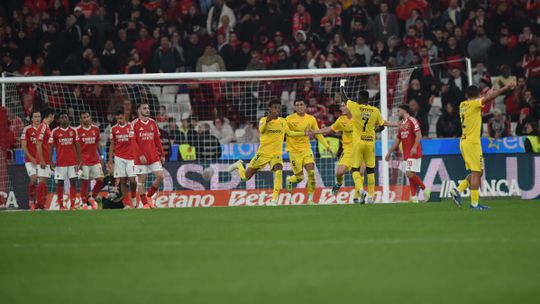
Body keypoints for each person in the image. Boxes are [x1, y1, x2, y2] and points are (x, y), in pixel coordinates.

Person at [228, 100, 308, 206]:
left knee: (279, 169)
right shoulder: (263, 120)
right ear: (269, 109)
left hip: (276, 154)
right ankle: (239, 165)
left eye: (278, 108)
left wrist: (304, 133)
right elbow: (261, 130)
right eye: (274, 107)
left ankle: (274, 199)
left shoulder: (283, 121)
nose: (277, 110)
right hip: (263, 154)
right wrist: (269, 118)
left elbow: (290, 133)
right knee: (245, 177)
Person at [451, 81, 516, 210]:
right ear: (478, 95)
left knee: (478, 172)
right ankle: (474, 204)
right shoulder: (475, 103)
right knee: (476, 173)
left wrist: (487, 94)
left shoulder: (462, 104)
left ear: (466, 94)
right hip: (472, 142)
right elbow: (487, 99)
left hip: (465, 141)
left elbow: (483, 100)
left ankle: (457, 191)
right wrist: (505, 87)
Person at [342, 82, 398, 204]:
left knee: (355, 169)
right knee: (370, 170)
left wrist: (342, 85)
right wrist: (374, 130)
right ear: (368, 99)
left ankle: (361, 190)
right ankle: (371, 197)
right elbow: (382, 127)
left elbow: (344, 98)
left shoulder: (355, 107)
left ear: (359, 98)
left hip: (358, 142)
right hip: (370, 142)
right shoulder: (375, 111)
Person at [310, 102, 365, 202]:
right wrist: (314, 131)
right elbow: (329, 129)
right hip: (348, 150)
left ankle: (357, 197)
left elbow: (377, 123)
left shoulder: (360, 117)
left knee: (360, 172)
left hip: (362, 149)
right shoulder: (341, 120)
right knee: (339, 172)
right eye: (341, 106)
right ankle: (339, 184)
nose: (341, 108)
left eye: (343, 106)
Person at [285, 99, 332, 205]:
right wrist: (303, 133)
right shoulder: (289, 119)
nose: (299, 107)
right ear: (294, 107)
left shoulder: (311, 119)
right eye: (297, 105)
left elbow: (318, 133)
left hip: (306, 150)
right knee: (300, 177)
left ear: (305, 106)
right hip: (294, 151)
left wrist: (326, 145)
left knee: (311, 173)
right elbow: (288, 133)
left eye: (301, 104)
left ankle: (310, 199)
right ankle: (290, 179)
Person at [385, 104, 431, 203]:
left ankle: (425, 189)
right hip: (406, 154)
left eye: (398, 110)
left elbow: (419, 135)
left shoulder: (412, 120)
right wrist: (389, 152)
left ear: (404, 111)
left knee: (409, 173)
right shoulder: (401, 124)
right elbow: (397, 141)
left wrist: (414, 147)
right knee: (411, 174)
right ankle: (414, 197)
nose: (397, 113)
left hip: (414, 152)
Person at [132, 103, 166, 209]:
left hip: (153, 156)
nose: (147, 110)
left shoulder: (152, 122)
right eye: (145, 108)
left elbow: (157, 140)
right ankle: (145, 203)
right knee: (141, 182)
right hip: (140, 158)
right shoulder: (134, 124)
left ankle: (149, 196)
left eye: (148, 108)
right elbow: (133, 142)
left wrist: (162, 154)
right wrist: (140, 154)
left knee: (160, 176)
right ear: (139, 110)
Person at [49, 112, 81, 210]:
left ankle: (72, 205)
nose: (64, 119)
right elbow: (51, 147)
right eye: (62, 117)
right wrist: (50, 161)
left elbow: (77, 146)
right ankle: (61, 206)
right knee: (60, 183)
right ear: (58, 120)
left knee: (73, 182)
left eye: (65, 117)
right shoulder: (55, 131)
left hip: (72, 162)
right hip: (60, 163)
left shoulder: (73, 131)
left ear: (68, 119)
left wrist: (79, 161)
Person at [108, 110, 137, 209]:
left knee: (133, 180)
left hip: (131, 157)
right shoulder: (113, 129)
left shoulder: (131, 126)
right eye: (118, 119)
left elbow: (135, 142)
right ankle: (127, 203)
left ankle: (133, 196)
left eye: (121, 118)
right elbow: (112, 144)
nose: (119, 120)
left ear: (125, 116)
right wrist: (110, 159)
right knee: (123, 181)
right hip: (119, 157)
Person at [76, 111, 104, 210]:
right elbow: (76, 147)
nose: (86, 119)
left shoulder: (95, 129)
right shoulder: (77, 131)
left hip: (95, 160)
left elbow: (98, 143)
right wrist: (78, 161)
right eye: (84, 117)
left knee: (101, 180)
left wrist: (102, 156)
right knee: (85, 182)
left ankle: (91, 198)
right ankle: (84, 205)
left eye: (87, 116)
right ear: (80, 120)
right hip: (83, 161)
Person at [21, 111, 41, 210]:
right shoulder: (27, 129)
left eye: (39, 116)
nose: (37, 118)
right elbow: (24, 146)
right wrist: (32, 158)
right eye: (35, 117)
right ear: (32, 119)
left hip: (41, 160)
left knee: (42, 182)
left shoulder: (44, 129)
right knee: (33, 179)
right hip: (30, 160)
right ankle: (31, 201)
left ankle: (39, 202)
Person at [35, 108, 56, 210]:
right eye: (53, 116)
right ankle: (39, 204)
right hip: (43, 160)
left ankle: (42, 204)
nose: (54, 118)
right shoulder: (43, 127)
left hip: (46, 159)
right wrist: (42, 160)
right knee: (42, 181)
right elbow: (38, 143)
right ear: (50, 115)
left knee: (44, 181)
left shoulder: (46, 127)